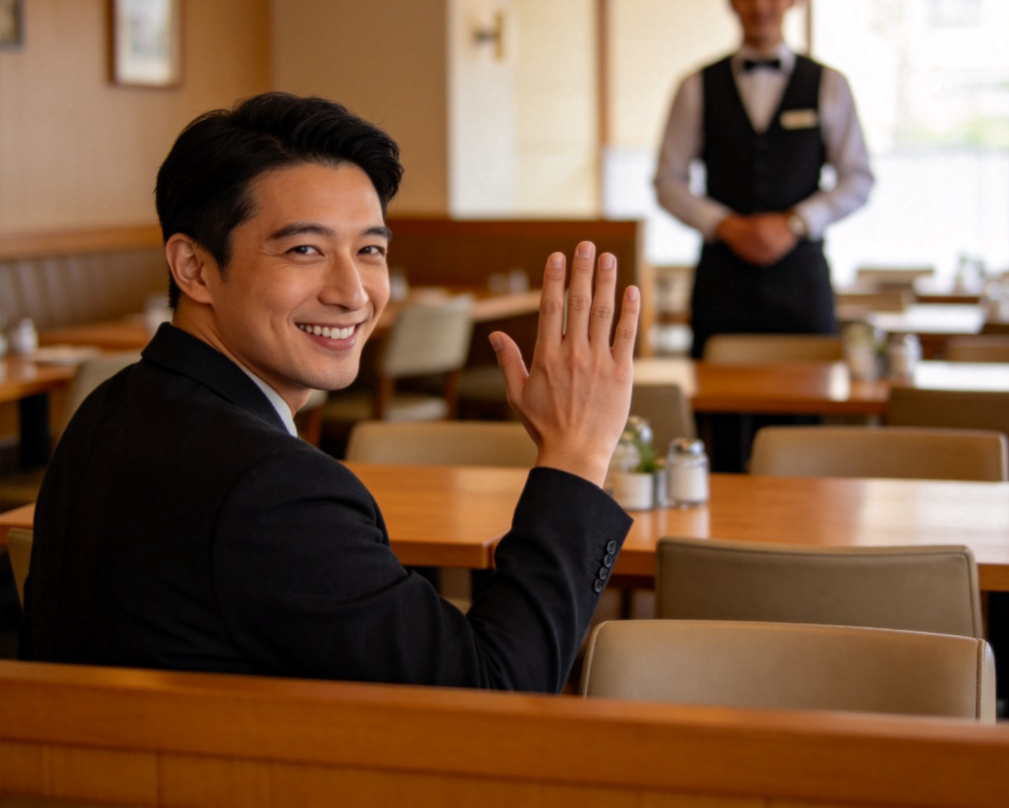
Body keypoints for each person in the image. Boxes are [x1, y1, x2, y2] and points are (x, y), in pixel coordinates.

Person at [20, 92, 638, 693]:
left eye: (370, 250)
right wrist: (576, 455)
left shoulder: (112, 406)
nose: (352, 292)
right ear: (195, 268)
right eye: (304, 249)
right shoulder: (270, 489)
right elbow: (490, 697)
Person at [654, 0, 873, 468]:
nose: (760, 4)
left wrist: (796, 223)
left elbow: (858, 178)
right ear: (731, 1)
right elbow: (668, 181)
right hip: (722, 280)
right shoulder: (695, 86)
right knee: (720, 422)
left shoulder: (829, 84)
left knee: (806, 416)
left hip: (802, 279)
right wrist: (724, 225)